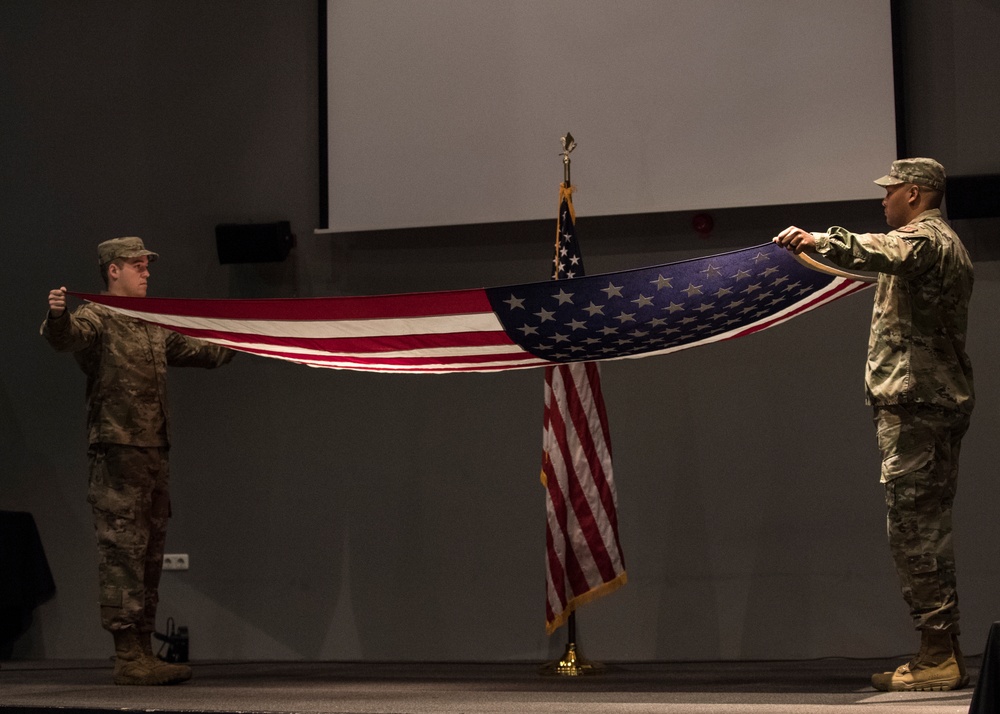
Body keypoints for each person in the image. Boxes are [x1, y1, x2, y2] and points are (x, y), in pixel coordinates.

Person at [774, 158, 974, 692]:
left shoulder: (926, 240)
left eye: (889, 192)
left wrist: (820, 238)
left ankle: (937, 654)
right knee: (922, 526)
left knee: (914, 530)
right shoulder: (935, 244)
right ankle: (942, 649)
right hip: (926, 403)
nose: (883, 200)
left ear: (914, 193)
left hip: (918, 405)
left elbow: (880, 249)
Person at [41, 237, 235, 685]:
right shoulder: (96, 316)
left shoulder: (150, 323)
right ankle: (127, 657)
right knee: (122, 553)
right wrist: (55, 318)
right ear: (113, 270)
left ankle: (144, 651)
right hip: (118, 452)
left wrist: (246, 337)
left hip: (153, 452)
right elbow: (68, 338)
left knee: (149, 555)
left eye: (147, 265)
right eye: (137, 265)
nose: (146, 272)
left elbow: (200, 351)